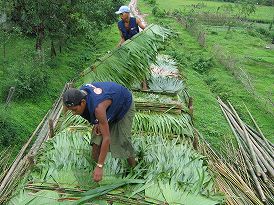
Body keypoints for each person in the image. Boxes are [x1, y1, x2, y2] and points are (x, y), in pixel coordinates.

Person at [63, 82, 136, 182]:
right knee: (96, 140)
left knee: (122, 141)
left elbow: (107, 138)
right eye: (71, 110)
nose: (74, 113)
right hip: (108, 106)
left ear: (83, 103)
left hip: (123, 105)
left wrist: (100, 166)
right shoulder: (77, 96)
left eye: (75, 110)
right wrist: (97, 122)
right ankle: (94, 172)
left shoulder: (98, 108)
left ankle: (135, 169)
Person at [115, 5, 148, 90]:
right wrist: (119, 45)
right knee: (128, 65)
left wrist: (150, 29)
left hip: (137, 46)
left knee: (140, 64)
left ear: (127, 13)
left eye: (122, 14)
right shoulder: (119, 24)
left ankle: (144, 85)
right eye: (120, 14)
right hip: (128, 47)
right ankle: (129, 84)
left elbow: (144, 28)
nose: (121, 16)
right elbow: (122, 37)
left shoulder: (136, 20)